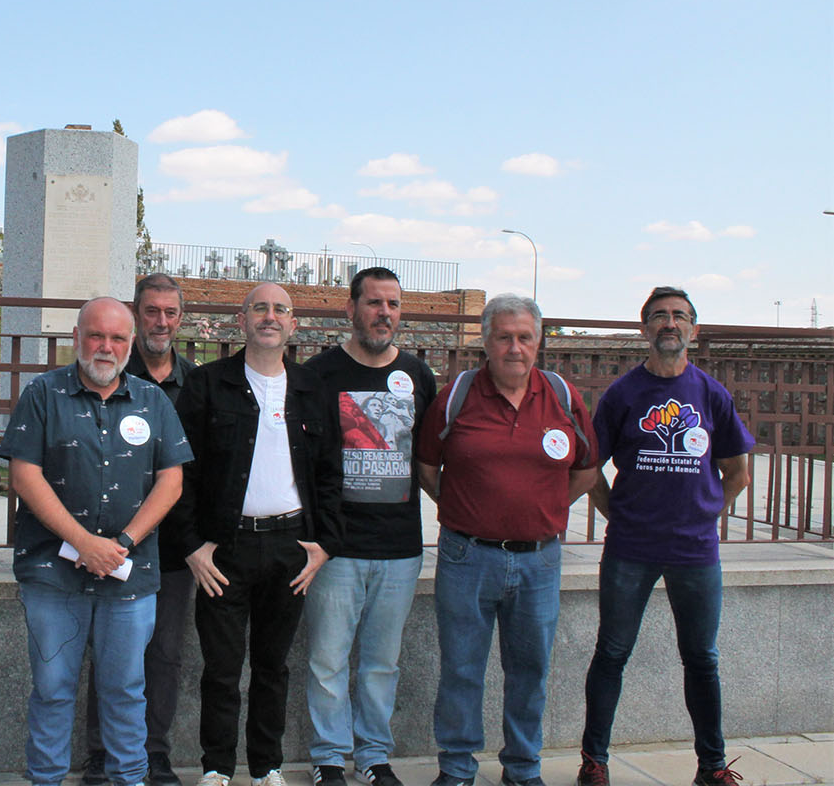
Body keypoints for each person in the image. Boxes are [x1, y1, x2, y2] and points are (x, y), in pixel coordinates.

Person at [0, 296, 193, 786]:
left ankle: (128, 780)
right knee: (52, 689)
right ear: (77, 337)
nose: (106, 347)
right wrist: (83, 542)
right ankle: (44, 779)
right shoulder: (43, 394)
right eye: (96, 336)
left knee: (127, 691)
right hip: (53, 575)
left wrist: (121, 542)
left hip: (130, 578)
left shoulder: (154, 402)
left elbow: (171, 480)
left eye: (117, 338)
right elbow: (24, 475)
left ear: (130, 344)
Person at [415, 294, 597, 786]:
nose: (514, 347)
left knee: (530, 672)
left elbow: (586, 470)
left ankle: (522, 768)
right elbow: (428, 468)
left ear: (539, 343)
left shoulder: (561, 396)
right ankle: (456, 769)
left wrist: (548, 508)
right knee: (462, 670)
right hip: (467, 556)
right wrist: (464, 507)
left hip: (539, 561)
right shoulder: (457, 395)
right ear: (486, 343)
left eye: (524, 337)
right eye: (504, 337)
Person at [575, 287, 753, 786]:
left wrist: (706, 514)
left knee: (701, 658)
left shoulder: (711, 394)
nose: (669, 323)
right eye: (659, 316)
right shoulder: (623, 394)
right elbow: (591, 466)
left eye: (679, 316)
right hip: (630, 549)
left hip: (694, 553)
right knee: (611, 652)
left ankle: (712, 767)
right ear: (644, 330)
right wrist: (617, 514)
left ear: (693, 330)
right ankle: (595, 761)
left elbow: (737, 473)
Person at [170, 282, 343, 786]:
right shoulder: (207, 385)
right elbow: (180, 473)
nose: (270, 316)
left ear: (294, 324)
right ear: (242, 321)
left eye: (281, 309)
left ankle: (267, 767)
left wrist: (324, 545)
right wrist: (192, 546)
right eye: (260, 308)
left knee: (273, 668)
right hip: (224, 549)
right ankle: (217, 769)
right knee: (221, 670)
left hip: (291, 548)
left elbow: (331, 474)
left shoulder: (312, 389)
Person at [303, 267, 437, 786]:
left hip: (399, 548)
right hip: (335, 547)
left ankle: (376, 756)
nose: (384, 313)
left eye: (394, 304)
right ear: (351, 309)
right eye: (374, 302)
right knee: (327, 660)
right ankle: (330, 759)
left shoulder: (417, 376)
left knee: (382, 662)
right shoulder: (319, 374)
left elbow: (428, 458)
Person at [83, 273, 197, 786]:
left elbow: (201, 471)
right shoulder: (104, 373)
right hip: (107, 546)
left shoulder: (196, 383)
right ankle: (101, 756)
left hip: (172, 548)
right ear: (135, 315)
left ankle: (153, 754)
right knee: (106, 656)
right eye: (152, 311)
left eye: (171, 313)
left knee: (164, 655)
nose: (162, 322)